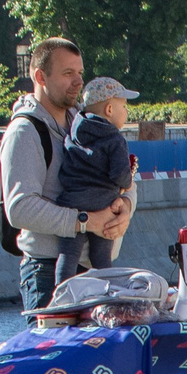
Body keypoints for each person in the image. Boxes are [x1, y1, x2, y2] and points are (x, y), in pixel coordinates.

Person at [0, 38, 131, 374]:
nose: (78, 82)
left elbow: (123, 179)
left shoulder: (85, 121)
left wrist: (120, 211)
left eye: (80, 72)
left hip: (90, 268)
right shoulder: (24, 132)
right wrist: (84, 221)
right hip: (46, 268)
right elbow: (20, 208)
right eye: (67, 74)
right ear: (40, 77)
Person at [52, 76, 139, 285]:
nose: (127, 112)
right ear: (109, 110)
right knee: (101, 257)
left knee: (68, 255)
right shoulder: (115, 139)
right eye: (124, 106)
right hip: (102, 203)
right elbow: (120, 175)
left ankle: (61, 294)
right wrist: (128, 181)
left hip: (72, 201)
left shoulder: (74, 130)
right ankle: (106, 294)